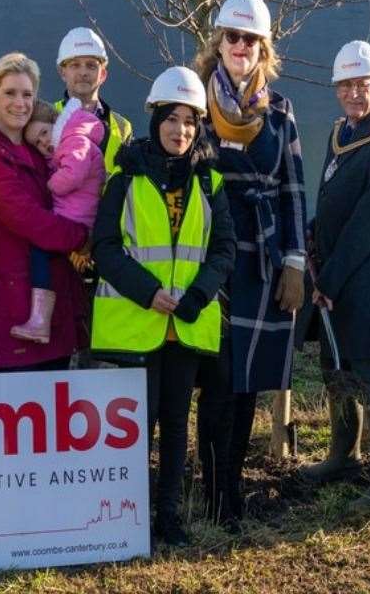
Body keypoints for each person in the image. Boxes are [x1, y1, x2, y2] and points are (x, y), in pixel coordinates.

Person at [91, 67, 236, 547]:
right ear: (155, 121)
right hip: (139, 322)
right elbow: (106, 248)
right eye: (172, 119)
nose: (181, 130)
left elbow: (223, 250)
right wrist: (147, 291)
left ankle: (168, 515)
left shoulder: (210, 181)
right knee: (139, 425)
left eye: (190, 121)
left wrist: (197, 297)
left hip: (186, 324)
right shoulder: (125, 175)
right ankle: (130, 518)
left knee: (176, 424)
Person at [192, 0, 307, 525]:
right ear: (218, 42)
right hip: (210, 254)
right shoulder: (195, 101)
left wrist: (295, 262)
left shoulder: (281, 111)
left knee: (245, 385)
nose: (240, 47)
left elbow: (292, 192)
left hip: (260, 258)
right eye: (232, 37)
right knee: (214, 381)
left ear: (264, 48)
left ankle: (232, 491)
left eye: (250, 40)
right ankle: (212, 493)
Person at [296, 40, 370, 508]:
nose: (354, 93)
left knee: (369, 368)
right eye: (346, 85)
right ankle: (343, 454)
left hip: (363, 276)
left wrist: (332, 279)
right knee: (334, 367)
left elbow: (369, 225)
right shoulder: (341, 132)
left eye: (363, 85)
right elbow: (329, 201)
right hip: (332, 273)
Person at [0, 53, 89, 372]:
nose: (19, 103)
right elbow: (27, 219)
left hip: (55, 307)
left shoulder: (39, 152)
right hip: (14, 309)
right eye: (10, 93)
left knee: (53, 416)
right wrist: (82, 237)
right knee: (16, 416)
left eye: (27, 94)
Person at [12, 98, 107, 343]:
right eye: (37, 142)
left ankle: (40, 319)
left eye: (44, 132)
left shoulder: (75, 140)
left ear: (57, 121)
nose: (44, 143)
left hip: (75, 222)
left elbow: (72, 176)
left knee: (40, 252)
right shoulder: (67, 142)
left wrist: (50, 184)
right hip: (74, 219)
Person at [54, 27, 133, 175]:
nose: (83, 72)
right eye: (75, 65)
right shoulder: (46, 119)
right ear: (63, 73)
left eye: (91, 65)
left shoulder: (123, 128)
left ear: (103, 74)